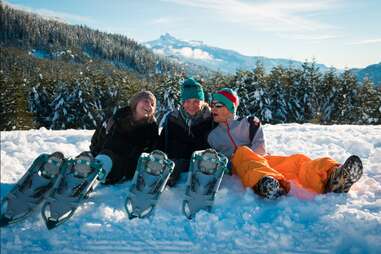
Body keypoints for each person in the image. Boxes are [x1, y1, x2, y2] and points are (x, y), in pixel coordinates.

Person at [207, 88, 363, 199]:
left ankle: (333, 176)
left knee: (297, 161)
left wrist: (256, 158)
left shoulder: (249, 123)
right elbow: (215, 159)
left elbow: (260, 148)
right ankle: (266, 184)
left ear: (230, 108)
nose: (213, 108)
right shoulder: (212, 136)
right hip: (237, 166)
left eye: (218, 105)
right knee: (242, 152)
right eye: (212, 105)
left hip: (261, 161)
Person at [90, 90, 159, 184]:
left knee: (108, 159)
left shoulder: (151, 128)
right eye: (146, 101)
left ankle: (95, 174)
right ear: (136, 102)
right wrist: (94, 153)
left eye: (152, 104)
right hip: (102, 154)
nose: (149, 106)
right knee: (89, 157)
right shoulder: (117, 118)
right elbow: (98, 138)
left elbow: (151, 150)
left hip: (126, 165)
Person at [158, 77, 215, 186]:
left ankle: (202, 185)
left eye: (196, 101)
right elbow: (163, 142)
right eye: (187, 101)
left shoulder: (210, 119)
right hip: (177, 161)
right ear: (182, 102)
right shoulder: (173, 119)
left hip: (203, 162)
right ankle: (164, 179)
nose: (191, 105)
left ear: (202, 102)